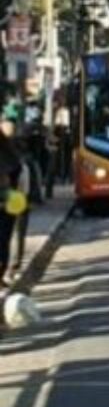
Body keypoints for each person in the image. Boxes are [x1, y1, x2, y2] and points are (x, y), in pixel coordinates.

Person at [0, 122, 27, 287]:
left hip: (7, 200)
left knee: (4, 238)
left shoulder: (7, 151)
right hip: (9, 201)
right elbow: (16, 168)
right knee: (4, 239)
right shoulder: (9, 150)